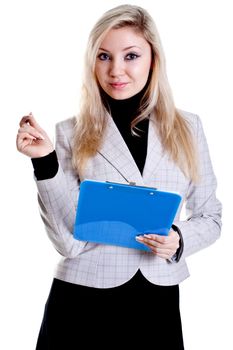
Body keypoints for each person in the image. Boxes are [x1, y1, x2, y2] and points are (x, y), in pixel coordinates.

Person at [16, 4, 222, 349]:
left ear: (153, 58)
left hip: (157, 303)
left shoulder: (189, 128)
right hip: (80, 303)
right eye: (103, 56)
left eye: (131, 56)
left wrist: (179, 238)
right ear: (91, 62)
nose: (116, 70)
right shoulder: (70, 133)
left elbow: (211, 217)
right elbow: (68, 243)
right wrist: (45, 163)